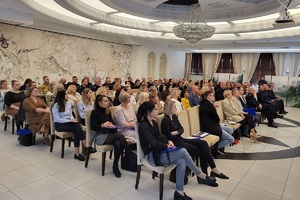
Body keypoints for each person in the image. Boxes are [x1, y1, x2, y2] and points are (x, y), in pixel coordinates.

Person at [137, 101, 218, 200]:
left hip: (159, 151)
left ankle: (179, 192)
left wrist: (169, 141)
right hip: (152, 156)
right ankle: (200, 174)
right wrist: (166, 146)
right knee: (183, 151)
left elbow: (160, 137)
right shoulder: (143, 126)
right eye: (155, 109)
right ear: (148, 112)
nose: (158, 110)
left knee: (182, 161)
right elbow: (153, 142)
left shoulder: (153, 122)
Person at [162, 100, 229, 179]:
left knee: (203, 143)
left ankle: (213, 169)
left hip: (180, 139)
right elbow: (169, 136)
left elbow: (182, 129)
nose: (176, 108)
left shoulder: (174, 116)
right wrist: (177, 132)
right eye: (174, 107)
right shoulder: (165, 120)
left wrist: (176, 132)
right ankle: (204, 176)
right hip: (175, 143)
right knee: (202, 151)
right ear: (169, 109)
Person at [90, 95, 132, 178]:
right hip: (99, 136)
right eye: (105, 101)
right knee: (119, 136)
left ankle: (115, 166)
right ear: (99, 103)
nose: (108, 102)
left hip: (109, 134)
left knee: (118, 143)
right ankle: (129, 155)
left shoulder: (107, 111)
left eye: (107, 101)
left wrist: (111, 125)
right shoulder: (94, 112)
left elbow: (112, 123)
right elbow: (93, 127)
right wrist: (103, 125)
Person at [52, 90, 96, 161]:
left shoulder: (68, 103)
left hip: (68, 122)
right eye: (66, 94)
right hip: (59, 125)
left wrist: (73, 120)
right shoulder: (56, 105)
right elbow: (57, 119)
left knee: (76, 128)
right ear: (61, 96)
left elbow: (70, 115)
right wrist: (69, 121)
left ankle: (77, 153)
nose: (67, 95)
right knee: (77, 127)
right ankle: (87, 146)